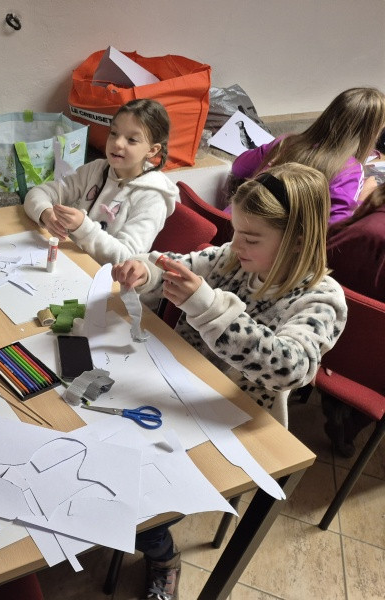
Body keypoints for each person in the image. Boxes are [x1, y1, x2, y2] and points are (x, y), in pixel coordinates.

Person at [112, 163, 348, 600]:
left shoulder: (321, 299)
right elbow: (175, 266)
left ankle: (162, 554)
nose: (235, 244)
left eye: (251, 238)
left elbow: (290, 367)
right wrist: (146, 271)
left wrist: (209, 307)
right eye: (236, 230)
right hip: (178, 389)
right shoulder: (232, 259)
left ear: (298, 239)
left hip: (236, 423)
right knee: (110, 454)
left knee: (144, 498)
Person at [23, 98, 178, 266]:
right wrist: (46, 214)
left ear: (152, 150)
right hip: (72, 261)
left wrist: (82, 227)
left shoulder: (153, 197)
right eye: (114, 133)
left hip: (103, 276)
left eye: (132, 140)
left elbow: (127, 259)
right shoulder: (96, 169)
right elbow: (37, 193)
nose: (117, 143)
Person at [229, 87, 385, 224]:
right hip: (260, 240)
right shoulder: (351, 170)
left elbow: (238, 167)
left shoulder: (285, 142)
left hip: (229, 222)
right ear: (370, 133)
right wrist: (362, 200)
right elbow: (334, 230)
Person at [320, 183, 385, 456]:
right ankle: (349, 423)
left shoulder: (361, 224)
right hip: (367, 365)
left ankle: (338, 407)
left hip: (319, 333)